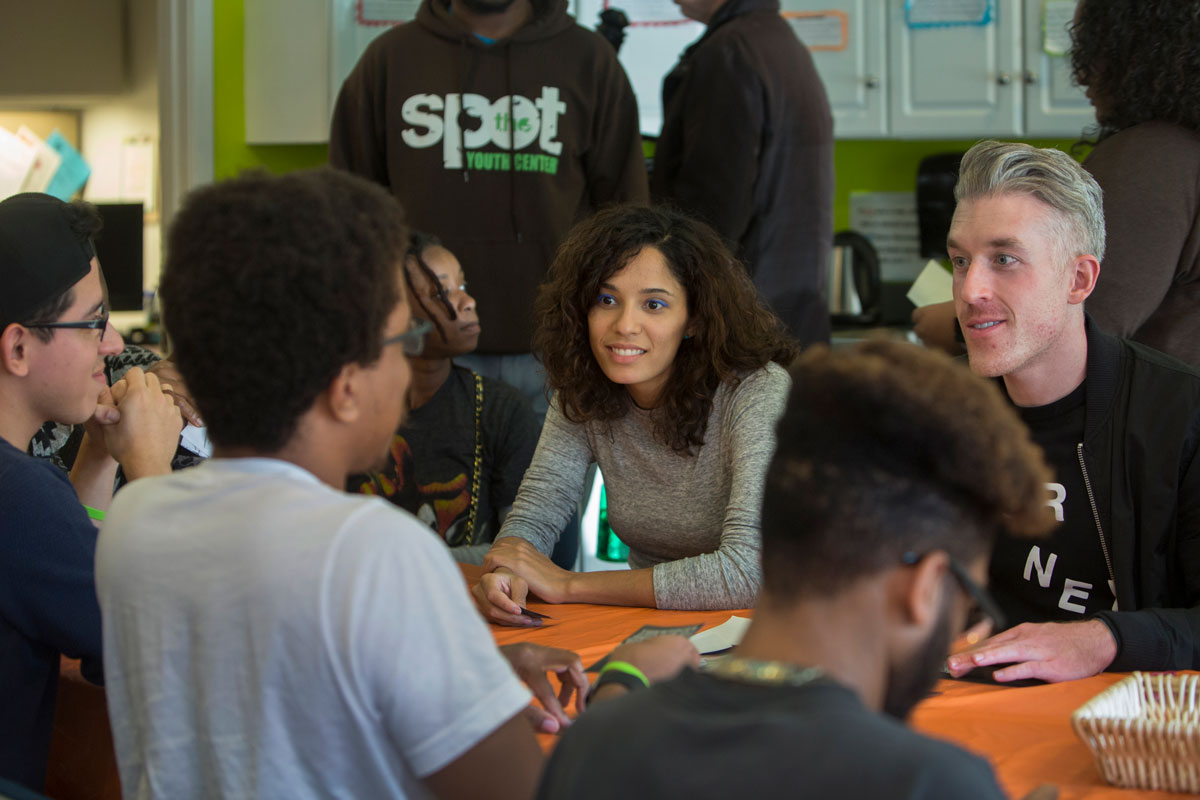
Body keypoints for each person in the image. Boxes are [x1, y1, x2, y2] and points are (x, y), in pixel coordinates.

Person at [94, 169, 693, 798]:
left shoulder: (137, 519)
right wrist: (626, 680)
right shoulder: (375, 550)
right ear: (346, 387)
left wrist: (470, 670)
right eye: (403, 338)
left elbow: (270, 685)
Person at [537, 339, 1054, 799]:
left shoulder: (595, 746)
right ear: (924, 588)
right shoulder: (930, 781)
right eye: (968, 609)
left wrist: (618, 687)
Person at [943, 141, 1200, 683]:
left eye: (1004, 260)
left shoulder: (1180, 416)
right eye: (960, 260)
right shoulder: (938, 407)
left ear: (1079, 280)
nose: (970, 290)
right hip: (957, 705)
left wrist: (1106, 638)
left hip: (1114, 721)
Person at [472, 204, 798, 625]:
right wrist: (507, 571)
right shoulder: (584, 385)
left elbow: (747, 572)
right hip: (656, 623)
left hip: (780, 625)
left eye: (654, 305)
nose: (624, 325)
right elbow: (539, 505)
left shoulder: (757, 390)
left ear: (694, 319)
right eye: (606, 299)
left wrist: (569, 585)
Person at [329, 0, 649, 416]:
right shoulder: (390, 60)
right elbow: (350, 215)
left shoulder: (588, 60)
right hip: (423, 350)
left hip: (557, 352)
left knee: (546, 485)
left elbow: (627, 218)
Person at [0, 194, 181, 791]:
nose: (111, 345)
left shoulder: (25, 496)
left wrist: (99, 455)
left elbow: (70, 571)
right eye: (94, 322)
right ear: (19, 348)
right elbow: (159, 644)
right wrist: (150, 466)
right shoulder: (17, 496)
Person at [349, 232, 540, 565]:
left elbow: (525, 553)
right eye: (441, 293)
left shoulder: (501, 410)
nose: (468, 303)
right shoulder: (351, 411)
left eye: (462, 287)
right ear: (391, 315)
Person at [651, 0, 834, 346]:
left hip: (742, 316)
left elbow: (711, 208)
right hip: (787, 311)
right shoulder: (779, 40)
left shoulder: (729, 53)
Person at [1069, 0, 1200, 366]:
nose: (1081, 74)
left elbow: (1072, 335)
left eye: (1093, 50)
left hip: (1154, 420)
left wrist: (957, 325)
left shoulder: (1152, 160)